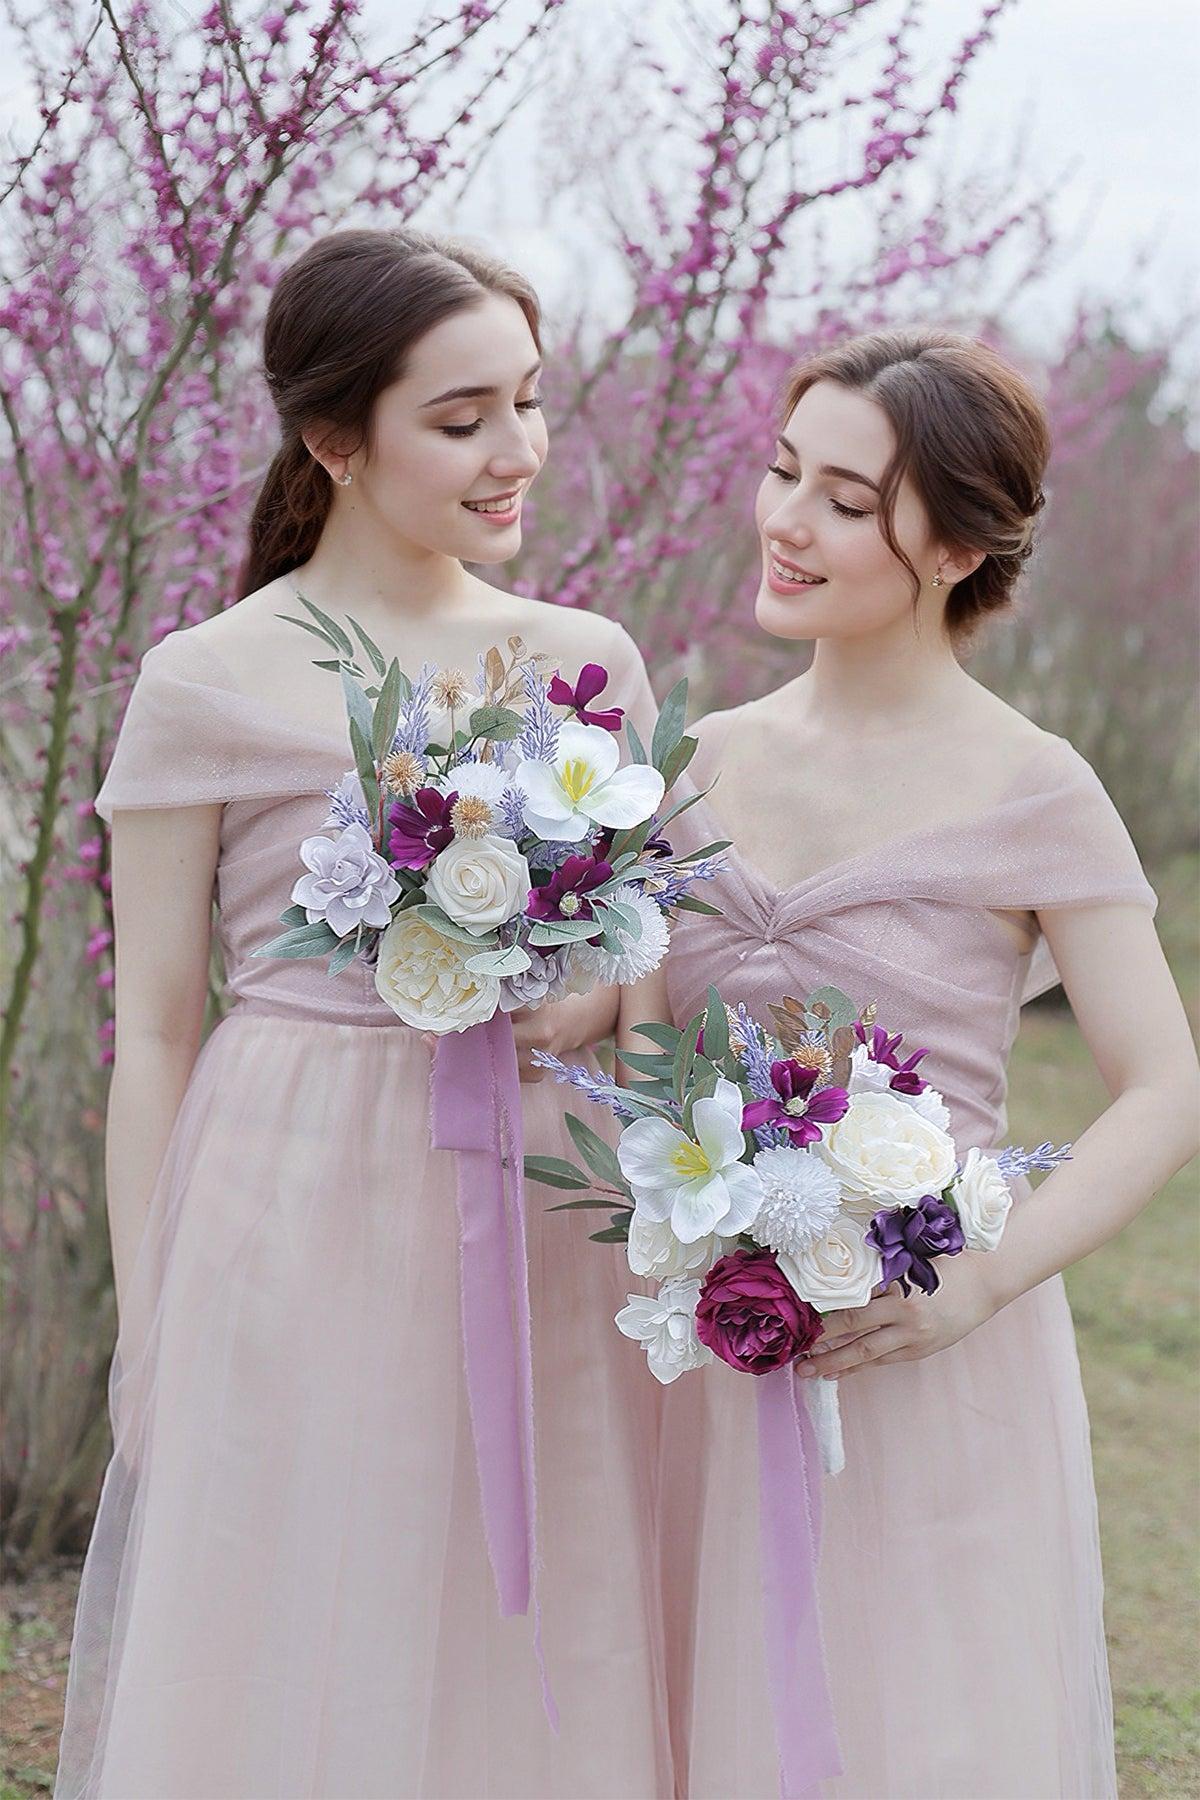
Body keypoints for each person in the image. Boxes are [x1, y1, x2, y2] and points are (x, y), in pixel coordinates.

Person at [55, 228, 672, 1800]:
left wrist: (587, 996)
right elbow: (163, 1031)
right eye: (462, 419)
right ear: (336, 438)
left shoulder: (583, 662)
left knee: (524, 1584)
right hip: (291, 1172)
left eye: (528, 404)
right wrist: (157, 1318)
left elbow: (646, 962)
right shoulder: (202, 676)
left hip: (530, 1183)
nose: (519, 452)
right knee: (302, 1570)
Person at [622, 329, 1199, 1799]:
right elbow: (630, 1051)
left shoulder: (1036, 786)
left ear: (953, 542)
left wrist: (986, 1282)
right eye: (780, 472)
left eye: (844, 497)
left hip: (919, 1353)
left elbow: (1165, 1088)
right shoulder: (692, 760)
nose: (785, 521)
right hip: (689, 1361)